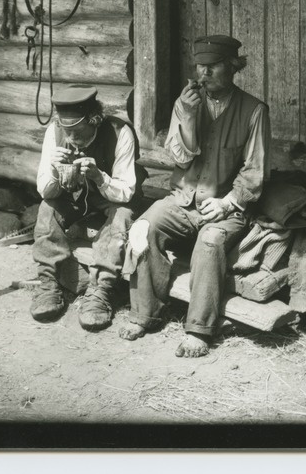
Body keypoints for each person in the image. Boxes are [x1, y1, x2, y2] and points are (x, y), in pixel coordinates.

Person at [119, 35, 270, 357]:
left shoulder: (254, 110)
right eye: (200, 67)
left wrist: (229, 202)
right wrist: (186, 116)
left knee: (210, 242)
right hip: (183, 199)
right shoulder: (185, 102)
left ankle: (199, 329)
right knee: (144, 229)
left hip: (227, 205)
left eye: (212, 67)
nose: (204, 74)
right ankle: (144, 313)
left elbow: (256, 170)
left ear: (232, 67)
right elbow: (181, 160)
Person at [30, 85, 144, 330]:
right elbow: (45, 191)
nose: (71, 138)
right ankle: (49, 284)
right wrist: (53, 168)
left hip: (112, 199)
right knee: (47, 208)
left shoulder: (119, 132)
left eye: (78, 131)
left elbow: (125, 193)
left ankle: (101, 291)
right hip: (75, 200)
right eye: (66, 131)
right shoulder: (55, 132)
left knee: (122, 216)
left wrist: (98, 176)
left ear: (95, 119)